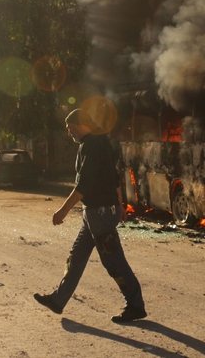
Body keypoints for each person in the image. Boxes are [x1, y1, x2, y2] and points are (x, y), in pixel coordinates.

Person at [34, 109, 146, 323]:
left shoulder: (91, 146)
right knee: (76, 257)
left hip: (100, 213)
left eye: (70, 129)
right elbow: (114, 177)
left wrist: (64, 209)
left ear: (78, 125)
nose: (69, 134)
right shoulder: (100, 142)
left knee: (113, 260)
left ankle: (135, 305)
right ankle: (58, 300)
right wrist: (120, 204)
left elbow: (84, 183)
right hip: (95, 213)